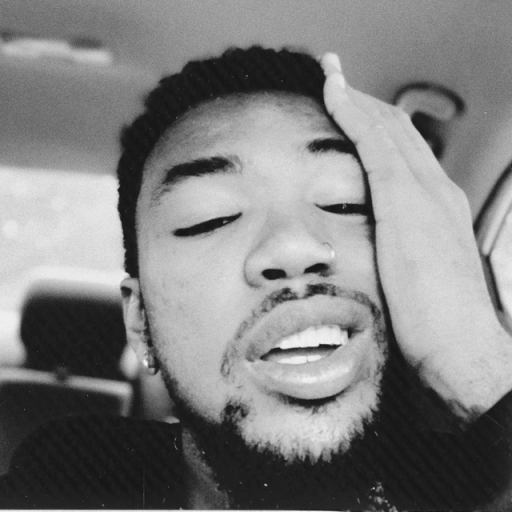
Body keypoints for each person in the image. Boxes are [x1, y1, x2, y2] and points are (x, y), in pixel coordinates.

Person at [2, 46, 512, 511]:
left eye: (345, 202)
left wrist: (475, 362)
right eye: (211, 218)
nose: (294, 246)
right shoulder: (67, 481)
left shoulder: (475, 482)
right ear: (141, 324)